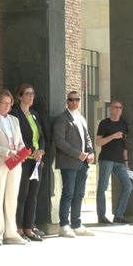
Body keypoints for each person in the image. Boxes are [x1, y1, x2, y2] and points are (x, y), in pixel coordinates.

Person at [0, 89, 28, 246]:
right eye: (3, 103)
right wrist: (7, 152)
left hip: (15, 163)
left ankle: (11, 233)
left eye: (9, 104)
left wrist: (22, 152)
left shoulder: (14, 120)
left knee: (11, 199)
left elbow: (21, 141)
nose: (6, 106)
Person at [53, 91, 95, 238]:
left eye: (77, 99)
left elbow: (87, 138)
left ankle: (76, 224)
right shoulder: (62, 119)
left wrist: (91, 153)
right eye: (71, 100)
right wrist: (77, 153)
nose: (74, 102)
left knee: (79, 194)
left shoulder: (81, 118)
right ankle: (64, 225)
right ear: (67, 101)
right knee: (68, 193)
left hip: (83, 163)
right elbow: (60, 142)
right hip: (69, 162)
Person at [10, 83, 45, 242]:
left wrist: (41, 151)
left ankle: (29, 228)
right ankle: (18, 228)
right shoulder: (15, 114)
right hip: (23, 160)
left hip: (37, 162)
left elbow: (42, 136)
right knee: (21, 195)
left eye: (32, 94)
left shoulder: (35, 114)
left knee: (33, 195)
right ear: (19, 97)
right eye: (27, 94)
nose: (31, 97)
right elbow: (20, 138)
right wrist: (31, 151)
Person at [96, 100, 133, 224]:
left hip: (119, 162)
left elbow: (125, 146)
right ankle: (101, 216)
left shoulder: (124, 124)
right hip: (106, 159)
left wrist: (126, 162)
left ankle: (118, 216)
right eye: (115, 107)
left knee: (128, 186)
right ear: (110, 109)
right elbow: (98, 142)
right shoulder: (104, 123)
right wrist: (112, 136)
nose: (118, 109)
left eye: (120, 108)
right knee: (103, 187)